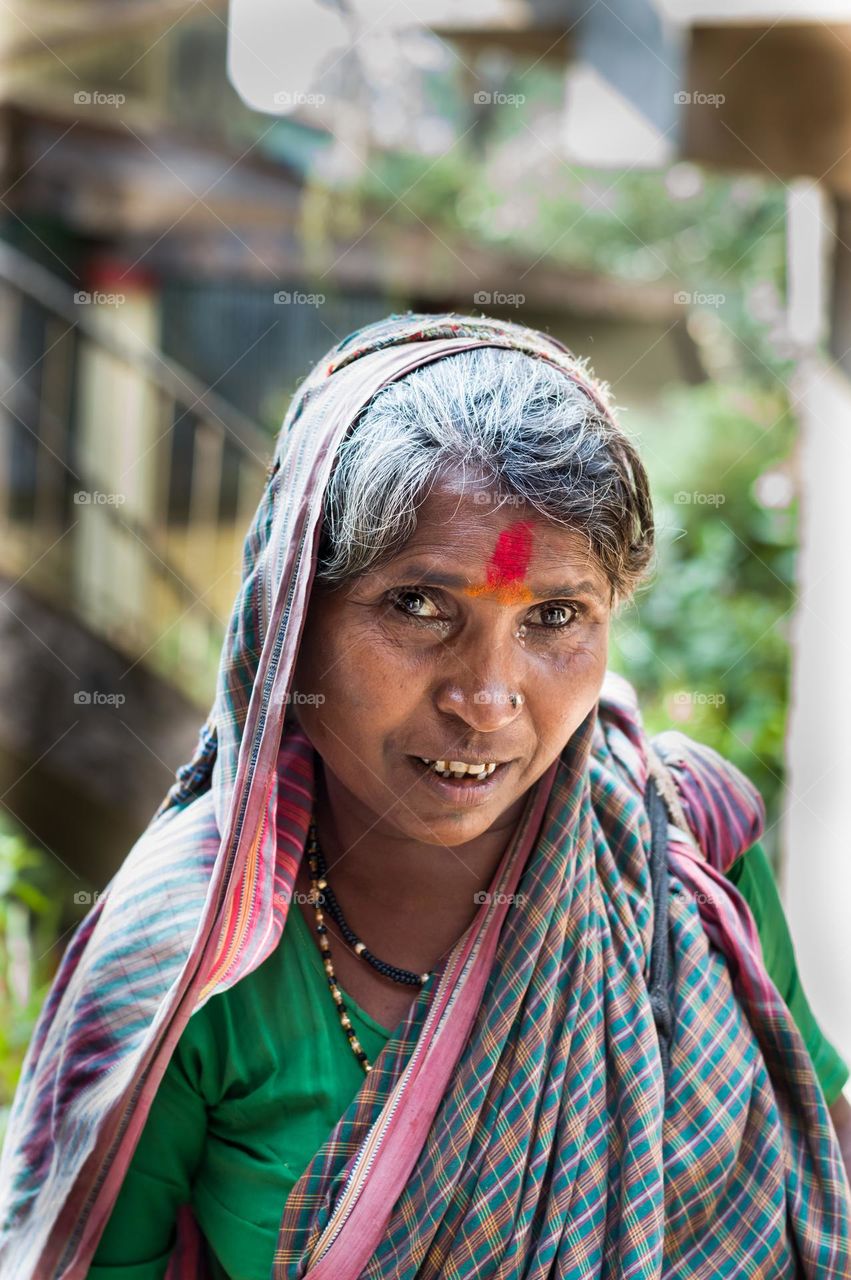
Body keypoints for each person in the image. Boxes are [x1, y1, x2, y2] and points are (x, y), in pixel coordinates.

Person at [0, 313, 848, 1280]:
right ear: (291, 611)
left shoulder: (684, 843)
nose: (485, 702)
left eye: (556, 616)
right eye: (417, 605)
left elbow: (819, 1149)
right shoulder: (188, 961)